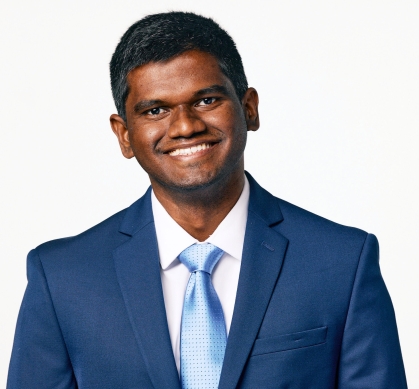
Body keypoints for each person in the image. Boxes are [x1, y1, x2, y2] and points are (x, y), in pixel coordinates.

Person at [7, 11, 407, 389]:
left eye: (206, 101)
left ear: (248, 108)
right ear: (124, 134)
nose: (184, 126)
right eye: (156, 109)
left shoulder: (342, 263)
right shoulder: (61, 278)